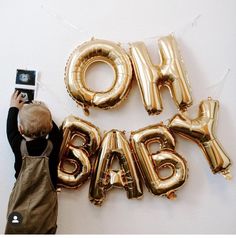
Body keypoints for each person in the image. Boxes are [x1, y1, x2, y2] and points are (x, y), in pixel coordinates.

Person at [5, 90, 62, 234]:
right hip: (43, 219)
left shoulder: (19, 146)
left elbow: (10, 130)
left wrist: (13, 108)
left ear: (21, 129)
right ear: (49, 127)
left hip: (18, 215)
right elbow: (57, 133)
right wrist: (44, 110)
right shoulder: (52, 147)